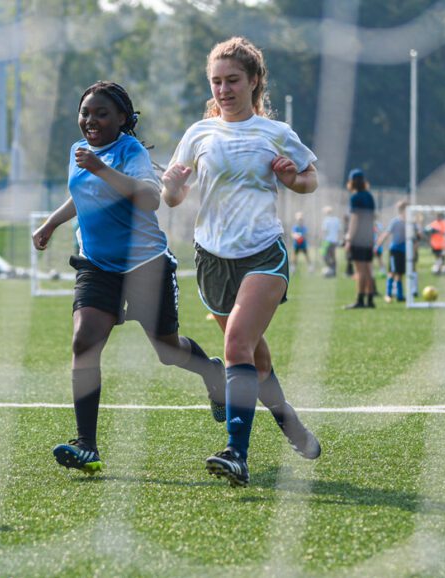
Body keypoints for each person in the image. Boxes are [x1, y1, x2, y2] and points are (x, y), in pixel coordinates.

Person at [32, 81, 226, 475]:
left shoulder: (130, 152)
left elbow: (151, 198)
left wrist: (101, 168)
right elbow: (82, 193)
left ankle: (212, 373)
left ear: (122, 118)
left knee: (167, 350)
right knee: (84, 341)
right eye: (86, 113)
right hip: (97, 265)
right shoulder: (79, 151)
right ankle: (86, 445)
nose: (91, 120)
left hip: (145, 265)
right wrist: (51, 223)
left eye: (101, 114)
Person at [162, 37, 321, 487]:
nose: (223, 89)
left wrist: (293, 179)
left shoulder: (275, 132)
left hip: (263, 255)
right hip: (212, 260)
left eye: (232, 80)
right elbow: (173, 197)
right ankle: (287, 419)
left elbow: (310, 179)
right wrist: (171, 185)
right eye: (216, 81)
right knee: (254, 358)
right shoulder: (198, 134)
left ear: (254, 81)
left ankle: (237, 453)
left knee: (235, 346)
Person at [344, 168, 376, 309]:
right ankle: (370, 299)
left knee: (360, 270)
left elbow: (354, 219)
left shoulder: (355, 197)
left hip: (358, 237)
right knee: (368, 269)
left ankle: (360, 300)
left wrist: (349, 238)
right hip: (369, 236)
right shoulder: (369, 196)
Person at [375, 200, 408, 303]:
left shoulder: (409, 222)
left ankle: (400, 295)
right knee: (392, 272)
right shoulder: (395, 221)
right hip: (395, 250)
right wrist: (378, 245)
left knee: (400, 273)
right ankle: (388, 294)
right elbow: (386, 233)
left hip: (404, 251)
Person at [321, 206, 340, 277]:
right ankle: (333, 271)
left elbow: (324, 231)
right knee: (333, 256)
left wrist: (322, 240)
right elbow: (339, 230)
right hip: (334, 241)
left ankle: (330, 268)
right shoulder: (337, 220)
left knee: (323, 255)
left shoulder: (326, 220)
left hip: (327, 240)